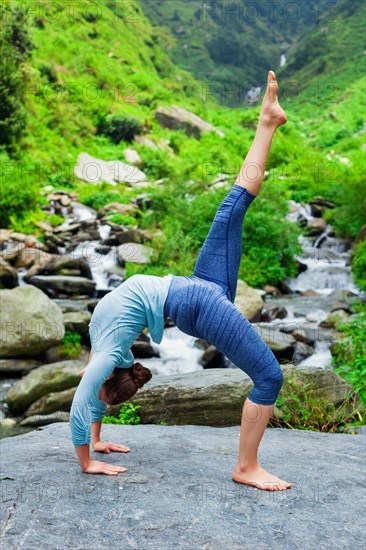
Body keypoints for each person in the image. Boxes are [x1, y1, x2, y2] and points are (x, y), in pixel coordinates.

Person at [70, 70, 292, 491]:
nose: (97, 392)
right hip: (190, 295)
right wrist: (96, 439)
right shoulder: (104, 348)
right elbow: (92, 390)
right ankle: (245, 467)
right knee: (269, 377)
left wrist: (88, 458)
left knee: (233, 207)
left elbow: (85, 397)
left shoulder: (107, 357)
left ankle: (266, 121)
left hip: (196, 295)